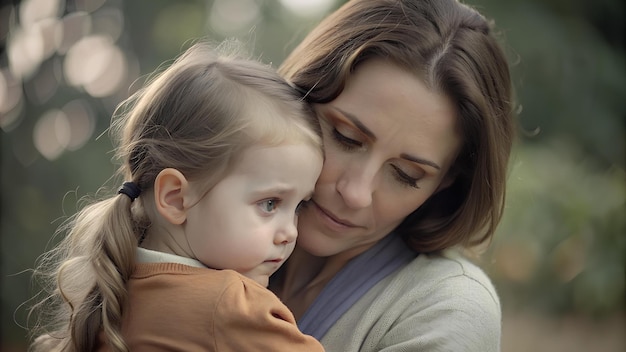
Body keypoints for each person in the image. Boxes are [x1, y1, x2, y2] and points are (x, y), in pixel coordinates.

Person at [28, 41, 325, 352]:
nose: (290, 232)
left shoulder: (110, 293)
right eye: (269, 204)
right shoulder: (232, 303)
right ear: (175, 198)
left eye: (299, 206)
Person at [269, 0, 516, 351]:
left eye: (405, 174)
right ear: (299, 97)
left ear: (445, 181)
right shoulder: (196, 219)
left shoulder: (444, 308)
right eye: (345, 137)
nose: (355, 193)